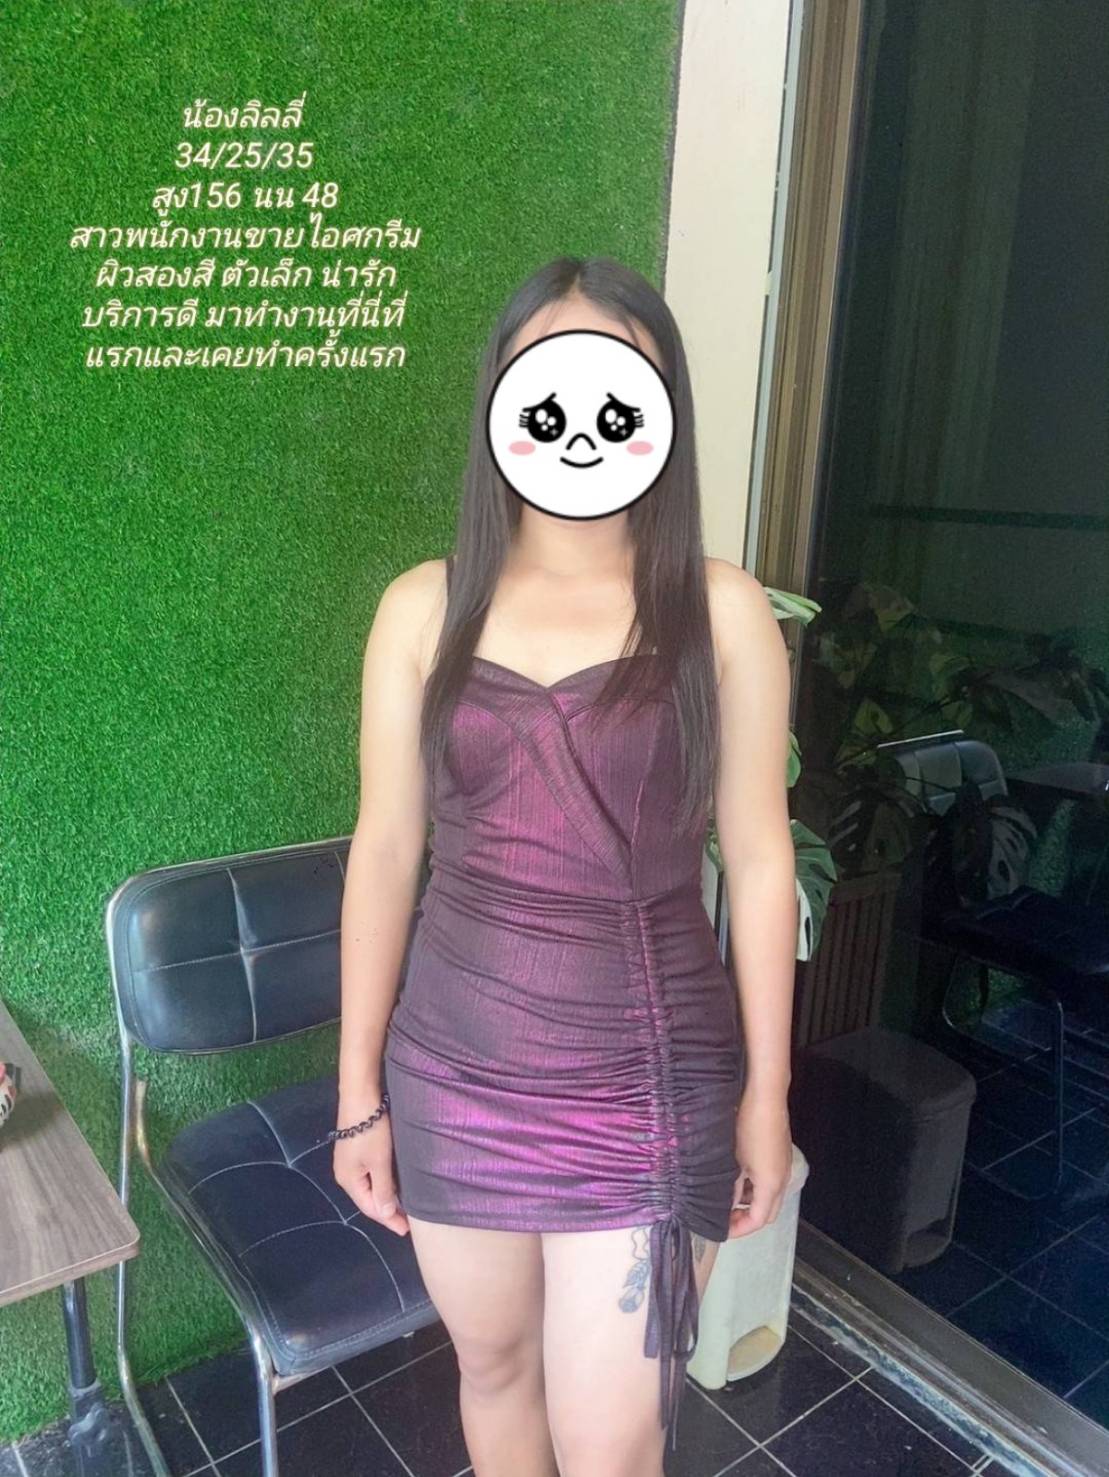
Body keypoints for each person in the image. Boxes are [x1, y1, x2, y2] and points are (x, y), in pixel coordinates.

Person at [333, 256, 797, 1477]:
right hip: (452, 1072)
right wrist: (357, 1092)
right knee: (491, 1372)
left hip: (647, 1085)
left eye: (616, 380)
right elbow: (385, 851)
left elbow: (759, 862)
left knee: (611, 1445)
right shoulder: (421, 608)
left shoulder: (721, 610)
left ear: (660, 406)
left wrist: (766, 1092)